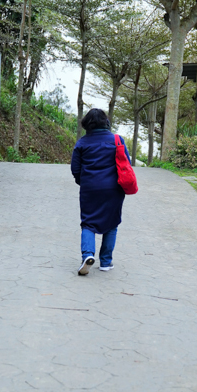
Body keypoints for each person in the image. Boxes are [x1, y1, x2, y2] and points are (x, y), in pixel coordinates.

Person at [70, 108, 131, 276]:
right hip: (114, 189)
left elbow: (75, 168)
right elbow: (127, 163)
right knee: (112, 224)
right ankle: (105, 262)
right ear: (107, 123)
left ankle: (88, 255)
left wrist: (83, 182)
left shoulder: (82, 143)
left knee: (88, 223)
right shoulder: (117, 140)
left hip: (90, 189)